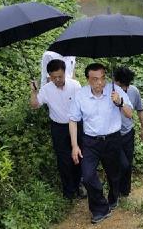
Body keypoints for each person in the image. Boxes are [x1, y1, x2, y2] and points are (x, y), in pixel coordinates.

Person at [69, 63, 133, 224]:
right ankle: (100, 208)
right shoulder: (80, 95)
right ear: (87, 79)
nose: (100, 83)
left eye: (103, 78)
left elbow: (130, 114)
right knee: (88, 175)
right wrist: (75, 146)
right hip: (90, 142)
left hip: (112, 139)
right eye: (95, 79)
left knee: (114, 174)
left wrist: (119, 103)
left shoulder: (115, 90)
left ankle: (113, 198)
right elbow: (73, 120)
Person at [30, 59, 83, 200]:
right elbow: (35, 105)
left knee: (78, 157)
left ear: (65, 72)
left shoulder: (75, 85)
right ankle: (68, 191)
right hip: (58, 127)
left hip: (76, 125)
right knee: (63, 160)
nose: (58, 80)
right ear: (49, 76)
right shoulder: (47, 89)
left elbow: (83, 105)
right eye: (54, 77)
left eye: (60, 76)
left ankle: (79, 186)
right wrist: (34, 91)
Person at [113, 67, 143, 197]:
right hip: (113, 135)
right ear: (115, 82)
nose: (124, 89)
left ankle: (125, 191)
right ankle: (115, 191)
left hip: (128, 133)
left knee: (128, 164)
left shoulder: (133, 91)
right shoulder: (110, 93)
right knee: (121, 164)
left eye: (126, 86)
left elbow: (140, 109)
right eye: (122, 86)